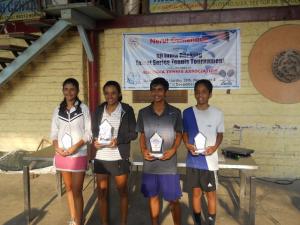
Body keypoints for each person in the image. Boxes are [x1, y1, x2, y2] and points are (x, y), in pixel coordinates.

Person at [136, 77, 182, 225]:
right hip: (150, 164)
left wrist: (174, 149)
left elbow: (179, 133)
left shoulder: (175, 112)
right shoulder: (143, 113)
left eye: (160, 89)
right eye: (154, 89)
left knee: (174, 200)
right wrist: (143, 150)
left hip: (168, 164)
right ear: (151, 92)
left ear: (165, 92)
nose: (157, 93)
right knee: (153, 197)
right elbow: (142, 134)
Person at [92, 81, 137, 225]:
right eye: (107, 93)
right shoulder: (99, 110)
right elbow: (94, 130)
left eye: (113, 93)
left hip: (119, 156)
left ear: (119, 94)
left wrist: (118, 140)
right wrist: (95, 140)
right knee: (102, 193)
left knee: (122, 192)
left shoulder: (126, 110)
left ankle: (123, 223)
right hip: (101, 156)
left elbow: (134, 133)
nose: (110, 96)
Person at [182, 79, 224, 225]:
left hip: (209, 163)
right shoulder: (187, 113)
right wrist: (187, 144)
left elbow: (220, 134)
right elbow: (185, 132)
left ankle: (211, 222)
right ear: (194, 93)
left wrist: (214, 148)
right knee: (196, 193)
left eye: (204, 92)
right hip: (193, 161)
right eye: (197, 92)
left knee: (211, 195)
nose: (200, 95)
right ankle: (198, 221)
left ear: (210, 94)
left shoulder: (217, 113)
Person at [51, 78, 92, 225]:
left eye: (72, 89)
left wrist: (76, 146)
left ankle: (80, 222)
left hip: (78, 154)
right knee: (68, 188)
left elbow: (88, 133)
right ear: (63, 90)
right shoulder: (57, 110)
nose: (69, 92)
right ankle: (74, 219)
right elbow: (54, 133)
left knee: (77, 190)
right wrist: (57, 147)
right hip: (62, 154)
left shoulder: (83, 109)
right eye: (66, 89)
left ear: (77, 91)